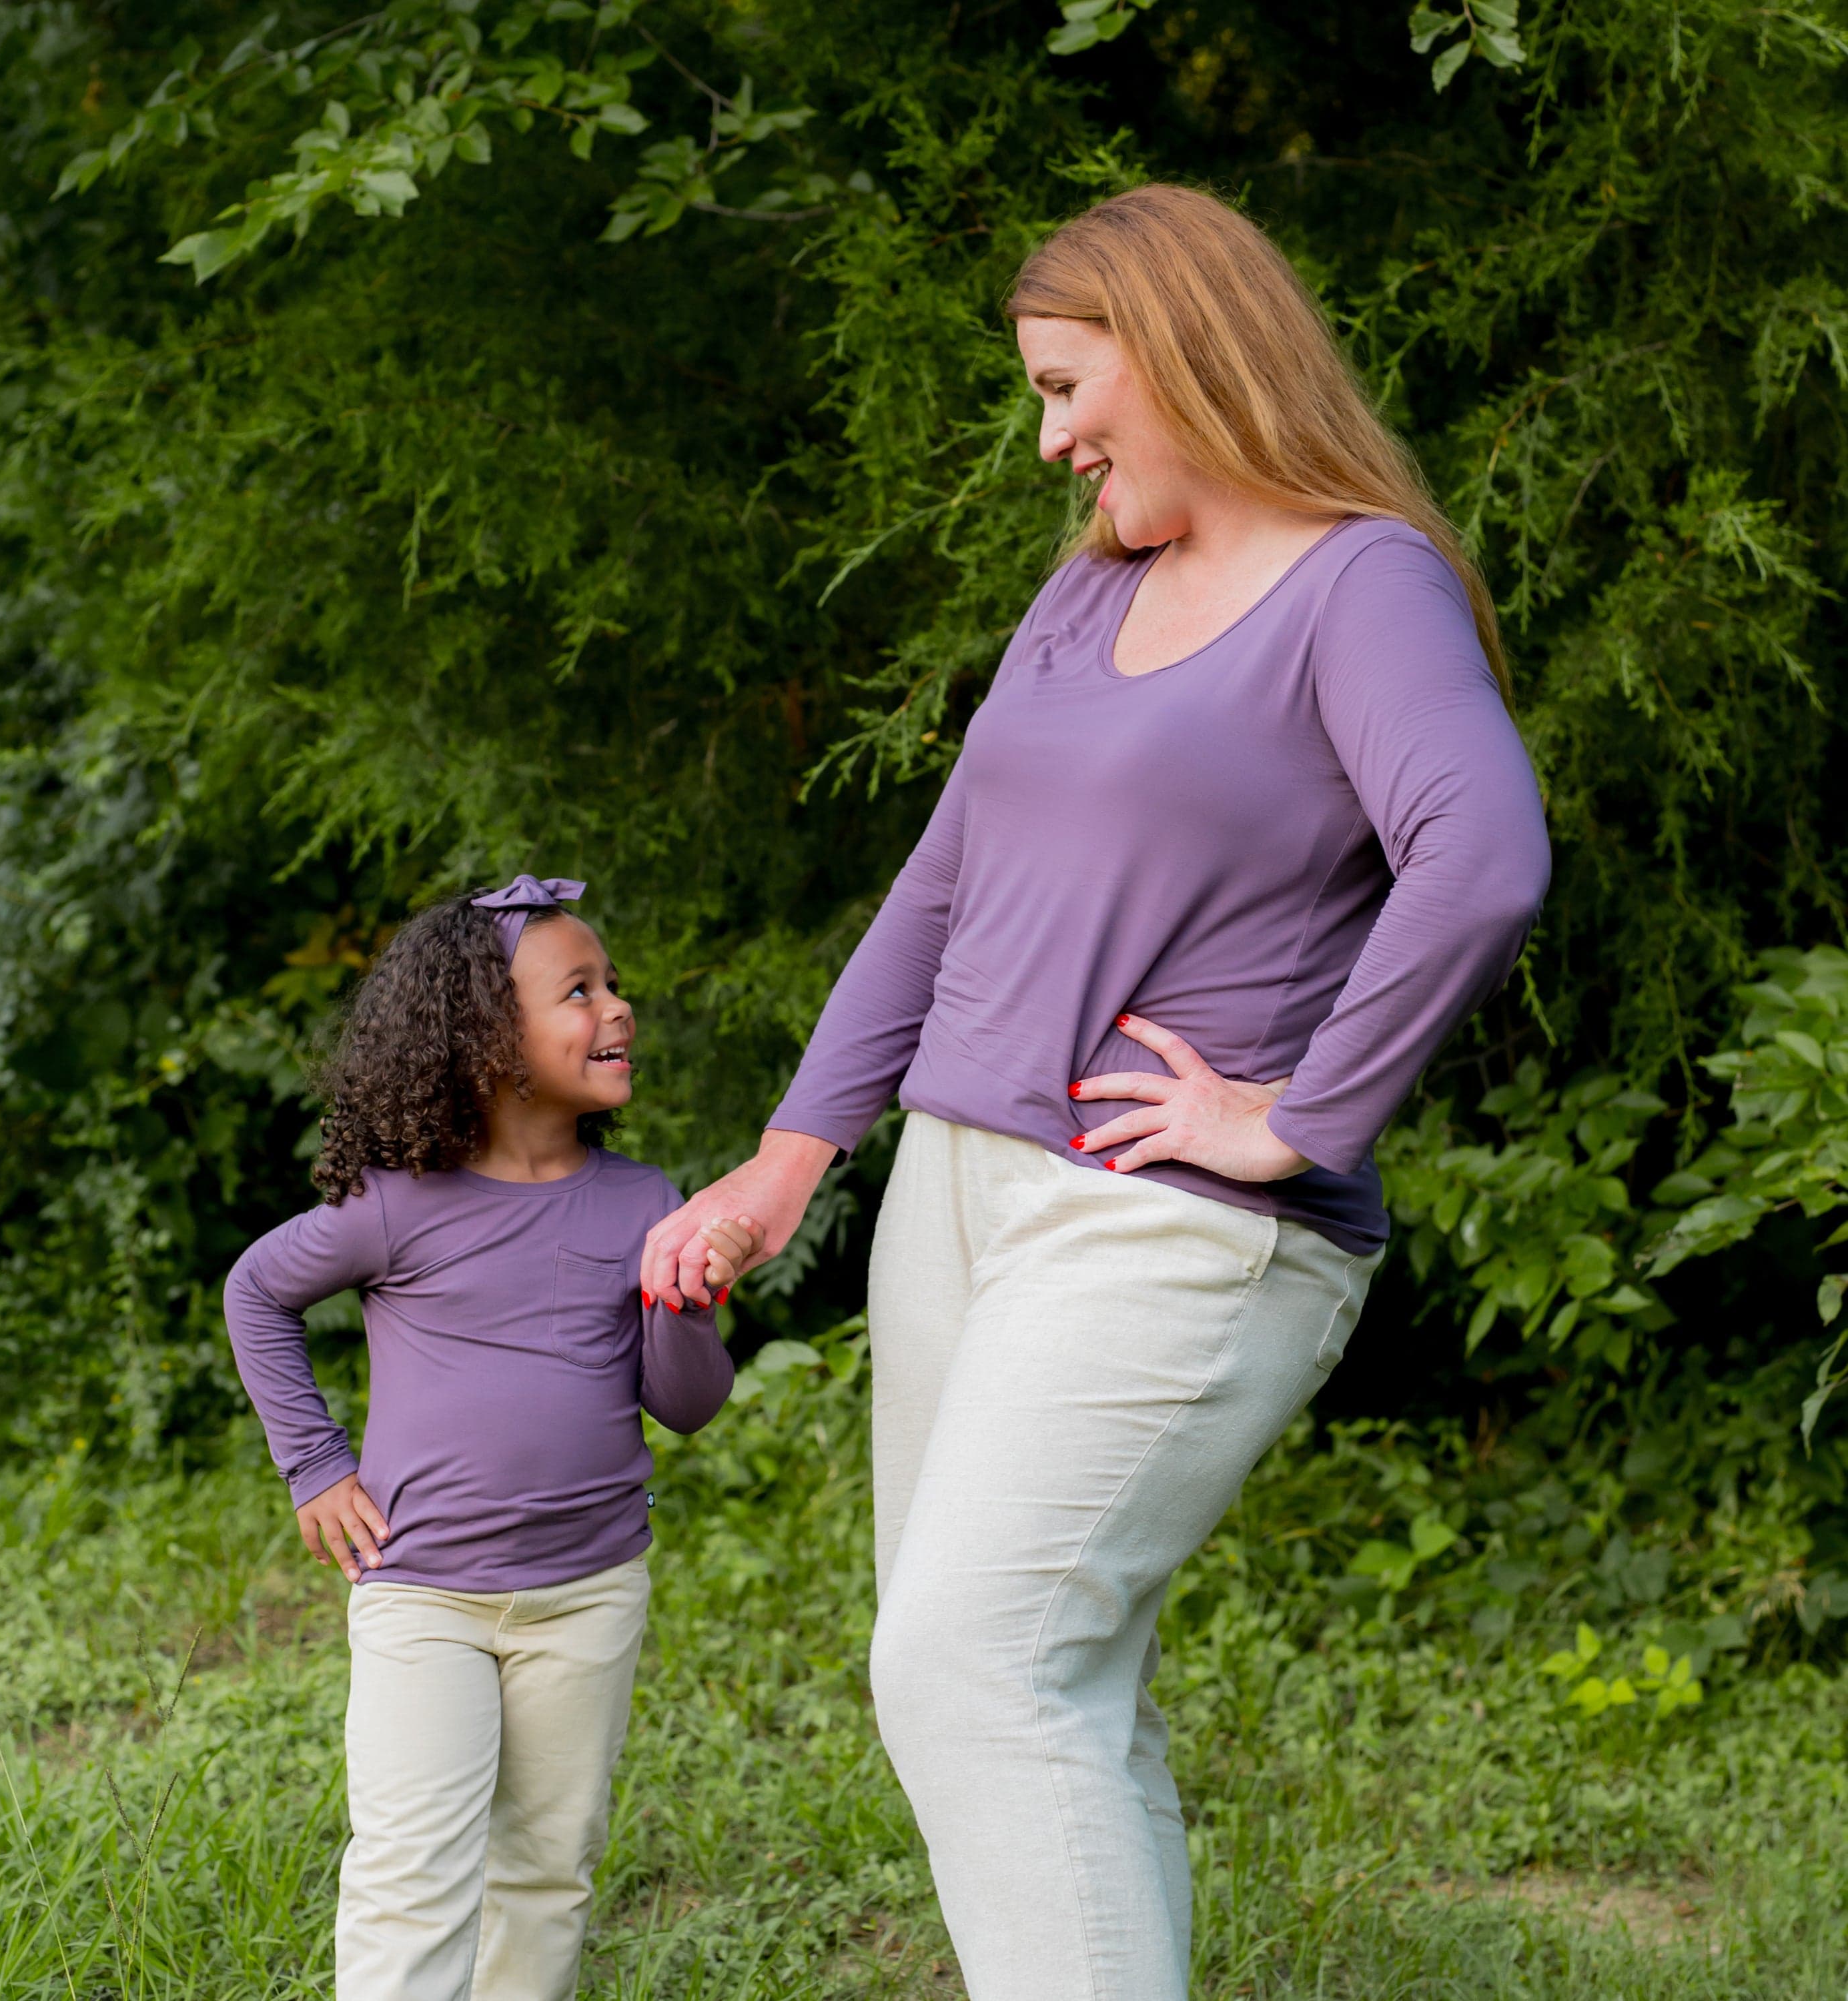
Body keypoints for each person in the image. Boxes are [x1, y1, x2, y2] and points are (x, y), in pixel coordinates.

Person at [644, 184, 1552, 2000]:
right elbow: (942, 880)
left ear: (1187, 347)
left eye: (1069, 389)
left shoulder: (1356, 582)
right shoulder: (1092, 589)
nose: (1054, 441)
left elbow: (1487, 853)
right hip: (956, 1198)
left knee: (972, 1667)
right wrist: (784, 1163)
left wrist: (1295, 1118)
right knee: (1039, 1687)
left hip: (1166, 1218)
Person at [224, 874, 755, 2001]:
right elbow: (257, 1292)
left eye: (614, 985)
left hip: (591, 1592)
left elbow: (687, 1402)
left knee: (547, 1873)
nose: (616, 1007)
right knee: (413, 1873)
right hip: (423, 1595)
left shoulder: (643, 1200)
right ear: (484, 1040)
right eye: (579, 989)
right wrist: (315, 1462)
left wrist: (686, 1294)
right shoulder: (397, 1202)